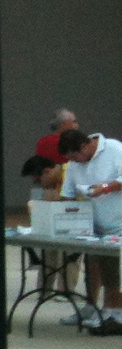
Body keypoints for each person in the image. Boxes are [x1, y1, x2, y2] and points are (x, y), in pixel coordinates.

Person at [58, 126, 122, 333]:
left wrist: (105, 188)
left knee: (109, 262)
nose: (75, 162)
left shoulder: (114, 149)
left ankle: (113, 308)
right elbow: (67, 195)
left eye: (76, 157)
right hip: (94, 224)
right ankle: (91, 305)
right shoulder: (74, 164)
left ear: (85, 146)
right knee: (92, 261)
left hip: (118, 220)